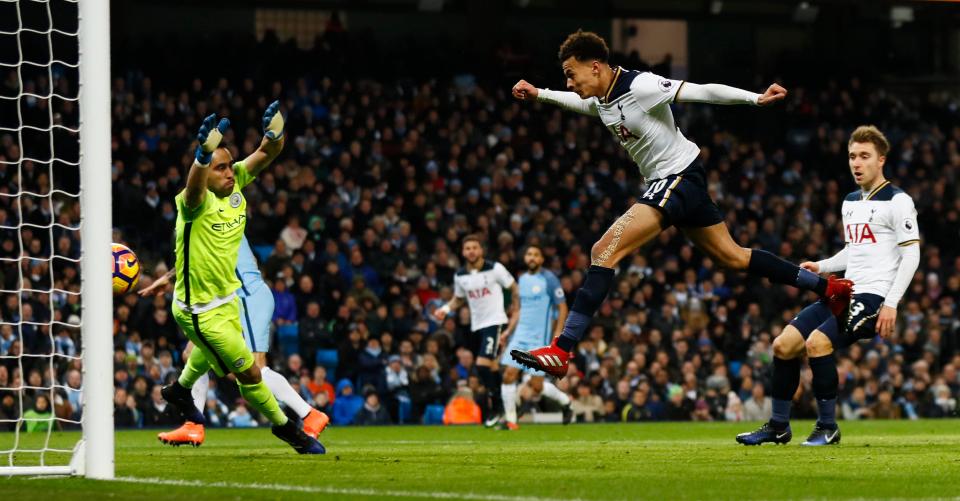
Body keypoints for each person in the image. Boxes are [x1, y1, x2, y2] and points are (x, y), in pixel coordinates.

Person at [509, 30, 852, 378]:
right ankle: (829, 288)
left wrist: (755, 99)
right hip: (681, 179)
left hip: (677, 178)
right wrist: (540, 94)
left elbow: (700, 92)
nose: (568, 82)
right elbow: (583, 106)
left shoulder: (639, 86)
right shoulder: (602, 99)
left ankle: (562, 349)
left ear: (595, 67)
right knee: (733, 257)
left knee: (603, 251)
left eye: (570, 73)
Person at [156, 103, 324, 454]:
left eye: (230, 166)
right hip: (198, 310)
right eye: (220, 168)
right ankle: (287, 428)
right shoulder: (194, 203)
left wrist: (275, 134)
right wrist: (202, 158)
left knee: (206, 355)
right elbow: (194, 186)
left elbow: (266, 153)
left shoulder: (235, 187)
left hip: (228, 298)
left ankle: (181, 392)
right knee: (248, 373)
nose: (229, 173)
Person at [737, 126, 920, 446]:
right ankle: (779, 426)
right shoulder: (850, 202)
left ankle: (827, 427)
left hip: (874, 295)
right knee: (783, 345)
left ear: (881, 160)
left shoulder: (899, 200)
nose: (857, 163)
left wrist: (891, 303)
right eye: (852, 156)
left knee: (818, 343)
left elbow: (911, 254)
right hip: (845, 291)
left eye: (865, 156)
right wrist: (821, 266)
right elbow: (854, 251)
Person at [141, 234, 329, 446]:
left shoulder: (213, 218)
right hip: (235, 298)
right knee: (191, 352)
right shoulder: (219, 217)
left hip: (248, 298)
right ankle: (193, 425)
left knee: (254, 372)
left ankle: (309, 414)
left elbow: (198, 258)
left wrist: (167, 278)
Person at [433, 235, 519, 426]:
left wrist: (515, 309)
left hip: (495, 321)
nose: (471, 251)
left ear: (481, 250)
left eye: (474, 247)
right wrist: (445, 309)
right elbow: (459, 298)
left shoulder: (495, 269)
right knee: (492, 367)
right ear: (463, 252)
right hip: (476, 325)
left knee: (481, 364)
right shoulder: (460, 276)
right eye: (467, 248)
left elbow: (513, 288)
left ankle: (495, 406)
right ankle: (507, 408)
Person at [497, 245, 573, 430]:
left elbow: (562, 307)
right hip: (520, 334)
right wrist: (508, 331)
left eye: (535, 255)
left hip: (539, 337)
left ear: (541, 259)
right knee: (508, 375)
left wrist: (557, 334)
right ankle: (511, 420)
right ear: (525, 258)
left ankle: (565, 403)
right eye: (529, 254)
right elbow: (519, 309)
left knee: (536, 386)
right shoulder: (521, 280)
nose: (531, 257)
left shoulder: (549, 279)